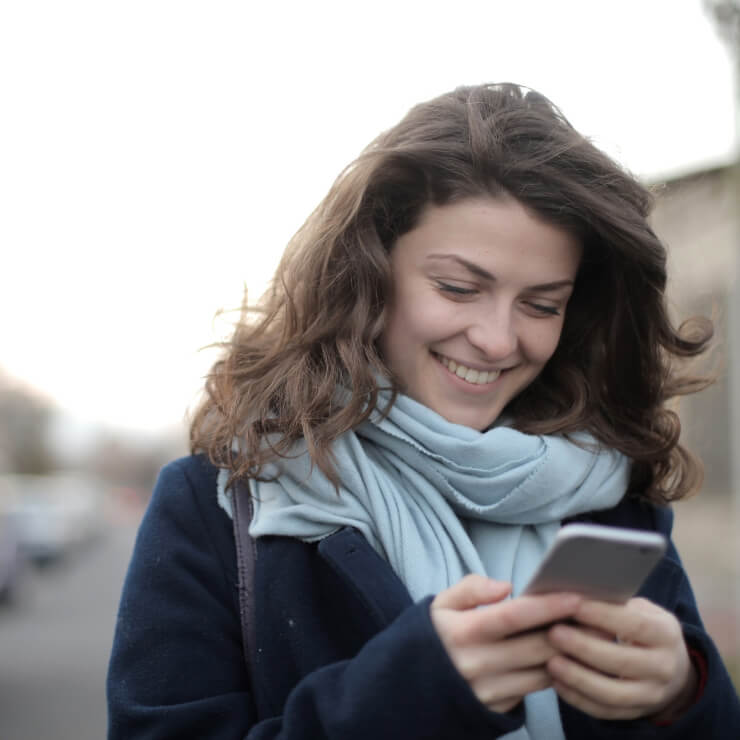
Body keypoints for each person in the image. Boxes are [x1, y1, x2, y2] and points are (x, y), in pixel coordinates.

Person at [107, 83, 740, 739]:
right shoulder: (214, 505)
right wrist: (408, 694)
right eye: (458, 288)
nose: (498, 339)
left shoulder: (605, 496)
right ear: (368, 272)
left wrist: (683, 693)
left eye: (543, 304)